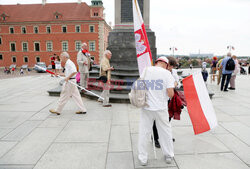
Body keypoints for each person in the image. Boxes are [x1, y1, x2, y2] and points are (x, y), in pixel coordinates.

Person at [138, 57, 175, 166]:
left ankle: (143, 157)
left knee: (144, 132)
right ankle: (168, 155)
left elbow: (140, 86)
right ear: (166, 65)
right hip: (161, 108)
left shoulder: (146, 70)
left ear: (156, 63)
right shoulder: (167, 74)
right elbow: (170, 94)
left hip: (146, 106)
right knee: (165, 132)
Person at [152, 56, 178, 148]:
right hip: (160, 99)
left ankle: (166, 136)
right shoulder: (159, 73)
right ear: (166, 65)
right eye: (170, 66)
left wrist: (174, 84)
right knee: (157, 120)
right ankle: (155, 138)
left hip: (169, 100)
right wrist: (171, 85)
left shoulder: (173, 72)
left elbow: (176, 81)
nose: (171, 69)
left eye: (173, 67)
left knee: (167, 119)